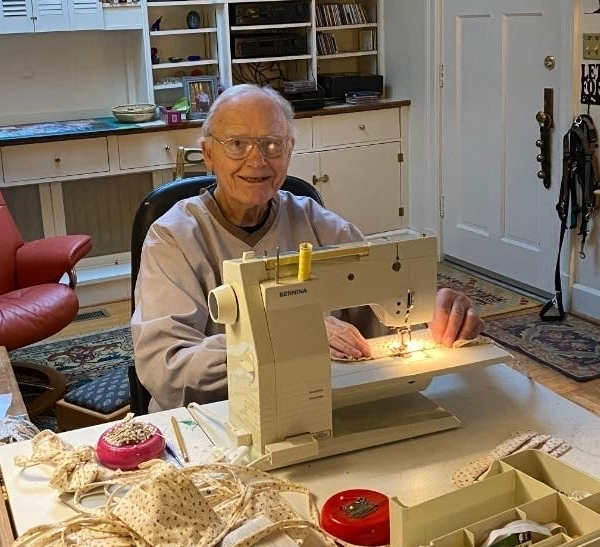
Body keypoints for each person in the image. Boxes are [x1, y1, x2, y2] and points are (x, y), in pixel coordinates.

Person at [132, 84, 483, 412]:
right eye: (237, 144)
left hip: (324, 405)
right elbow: (167, 369)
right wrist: (288, 337)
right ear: (208, 154)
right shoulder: (173, 239)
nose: (257, 161)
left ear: (289, 152)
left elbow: (385, 309)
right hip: (215, 420)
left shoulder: (317, 223)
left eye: (273, 144)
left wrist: (432, 311)